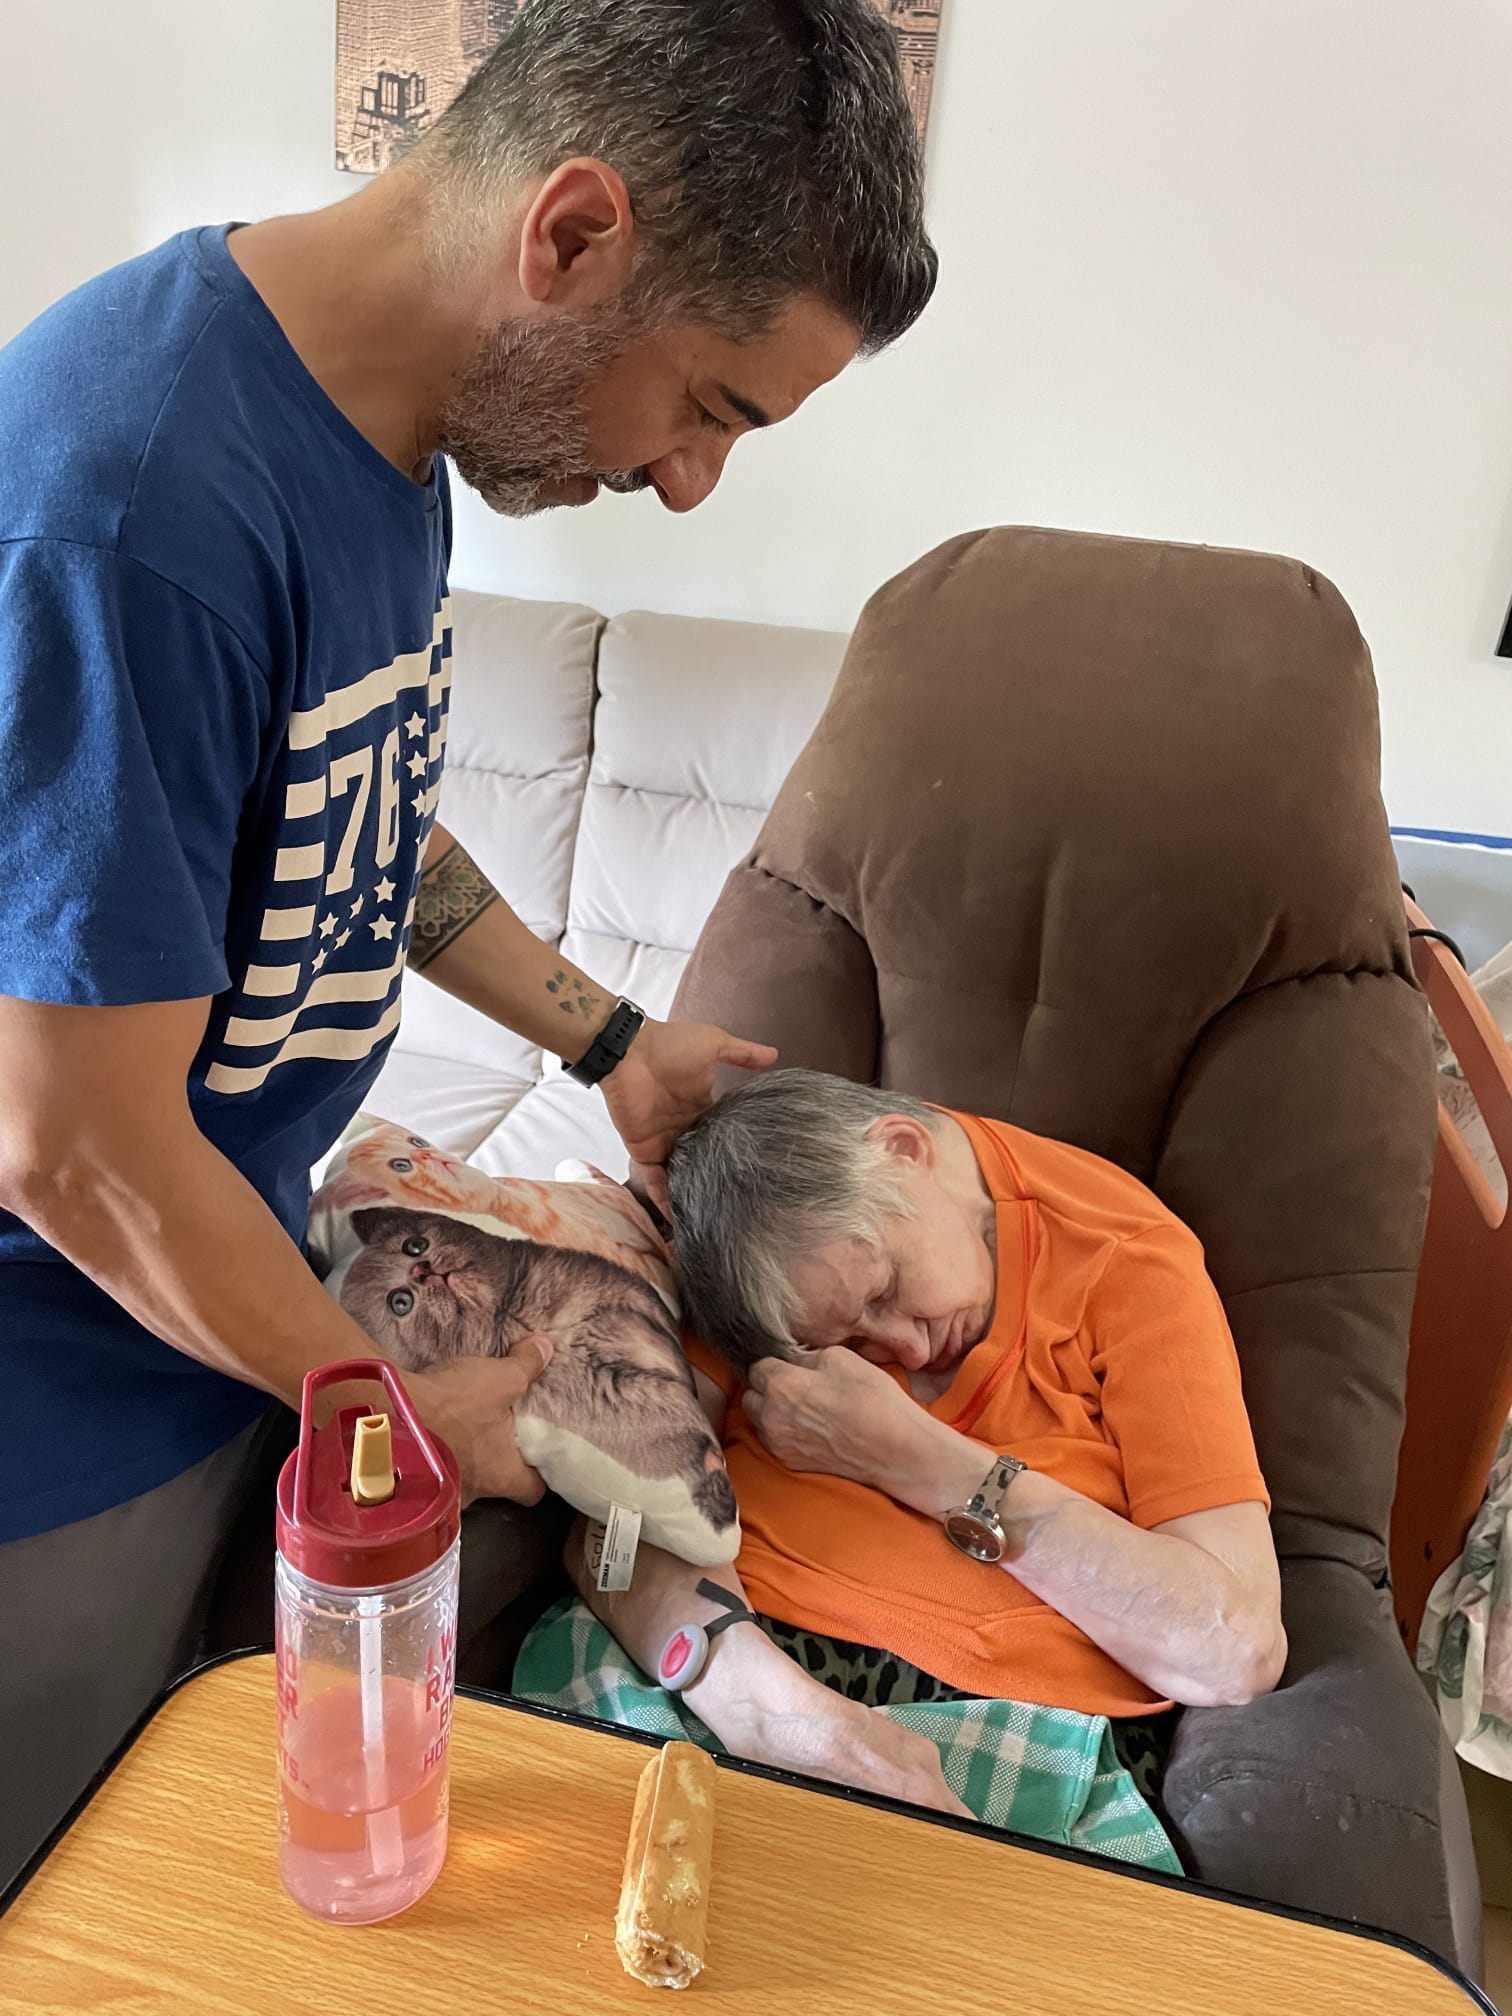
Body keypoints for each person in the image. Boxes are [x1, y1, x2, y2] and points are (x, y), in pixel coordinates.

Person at [0, 3, 936, 1882]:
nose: (690, 483)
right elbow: (66, 1140)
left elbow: (345, 811)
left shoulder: (393, 451)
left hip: (223, 1315)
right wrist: (396, 1409)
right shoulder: (132, 505)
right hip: (51, 1399)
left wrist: (616, 1043)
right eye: (711, 407)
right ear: (571, 235)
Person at [565, 1071, 1286, 1818]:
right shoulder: (758, 1226)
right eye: (843, 1343)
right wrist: (757, 1701)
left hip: (1000, 1730)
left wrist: (915, 1458)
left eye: (883, 1290)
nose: (905, 1350)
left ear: (904, 1151)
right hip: (704, 1663)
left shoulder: (1125, 1256)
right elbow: (609, 1525)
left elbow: (1234, 1650)